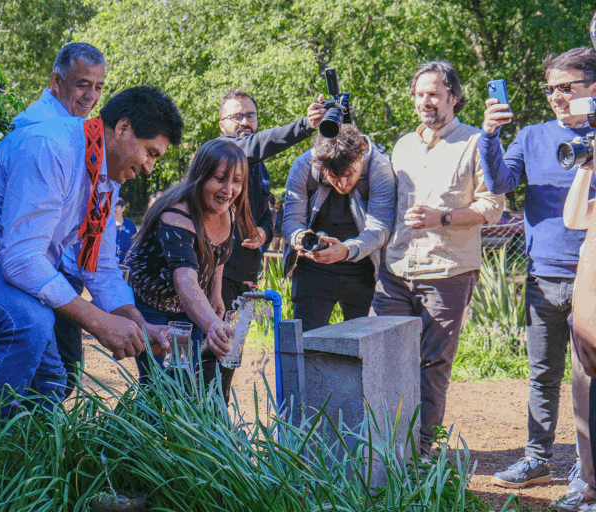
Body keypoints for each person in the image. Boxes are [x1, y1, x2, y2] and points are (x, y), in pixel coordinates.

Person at [0, 86, 183, 412]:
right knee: (30, 324)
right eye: (150, 153)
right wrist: (98, 321)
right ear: (123, 128)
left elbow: (100, 268)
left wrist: (138, 324)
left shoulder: (105, 179)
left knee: (54, 380)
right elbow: (22, 260)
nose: (149, 168)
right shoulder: (51, 147)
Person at [479, 47, 596, 504]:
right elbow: (500, 183)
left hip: (593, 280)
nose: (556, 97)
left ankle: (585, 472)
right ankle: (537, 456)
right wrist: (490, 134)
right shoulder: (531, 136)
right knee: (542, 373)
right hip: (544, 277)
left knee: (588, 379)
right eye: (551, 88)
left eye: (567, 87)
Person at [371, 61, 504, 455]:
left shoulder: (476, 142)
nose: (425, 101)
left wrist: (440, 218)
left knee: (431, 367)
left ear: (454, 98)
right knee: (383, 358)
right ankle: (383, 446)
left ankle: (422, 452)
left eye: (434, 94)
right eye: (419, 94)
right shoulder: (402, 145)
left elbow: (492, 207)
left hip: (446, 272)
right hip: (394, 270)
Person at [207, 88, 326, 402]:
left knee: (231, 355)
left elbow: (265, 212)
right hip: (214, 276)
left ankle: (216, 422)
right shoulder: (220, 150)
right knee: (208, 354)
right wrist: (305, 125)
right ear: (221, 124)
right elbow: (252, 146)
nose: (245, 121)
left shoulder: (258, 165)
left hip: (245, 275)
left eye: (250, 115)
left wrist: (262, 230)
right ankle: (199, 423)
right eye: (236, 116)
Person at [10, 42, 108, 398]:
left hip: (57, 267)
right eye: (83, 84)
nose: (91, 96)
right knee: (54, 374)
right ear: (56, 80)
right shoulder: (43, 133)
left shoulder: (75, 130)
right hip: (32, 267)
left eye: (98, 87)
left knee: (62, 373)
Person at [126, 139, 258, 383]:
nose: (229, 190)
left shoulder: (227, 210)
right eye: (220, 178)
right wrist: (212, 325)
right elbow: (184, 280)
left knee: (185, 379)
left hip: (188, 307)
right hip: (150, 302)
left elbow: (218, 254)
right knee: (156, 383)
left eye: (237, 181)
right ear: (201, 176)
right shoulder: (176, 216)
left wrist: (215, 292)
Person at [282, 125, 395, 332]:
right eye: (334, 177)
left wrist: (345, 250)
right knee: (307, 345)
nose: (343, 184)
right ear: (322, 167)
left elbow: (380, 229)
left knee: (365, 349)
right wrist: (300, 238)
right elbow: (291, 221)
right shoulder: (304, 166)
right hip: (313, 272)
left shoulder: (380, 168)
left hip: (364, 271)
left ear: (361, 156)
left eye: (350, 174)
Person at [562, 149, 596, 511]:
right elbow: (572, 217)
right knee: (586, 409)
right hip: (586, 323)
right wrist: (585, 168)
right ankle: (590, 488)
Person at [114, 197, 137, 264]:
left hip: (127, 263)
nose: (114, 209)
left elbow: (135, 241)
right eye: (113, 206)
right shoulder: (108, 224)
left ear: (123, 208)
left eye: (117, 206)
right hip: (111, 263)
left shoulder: (129, 224)